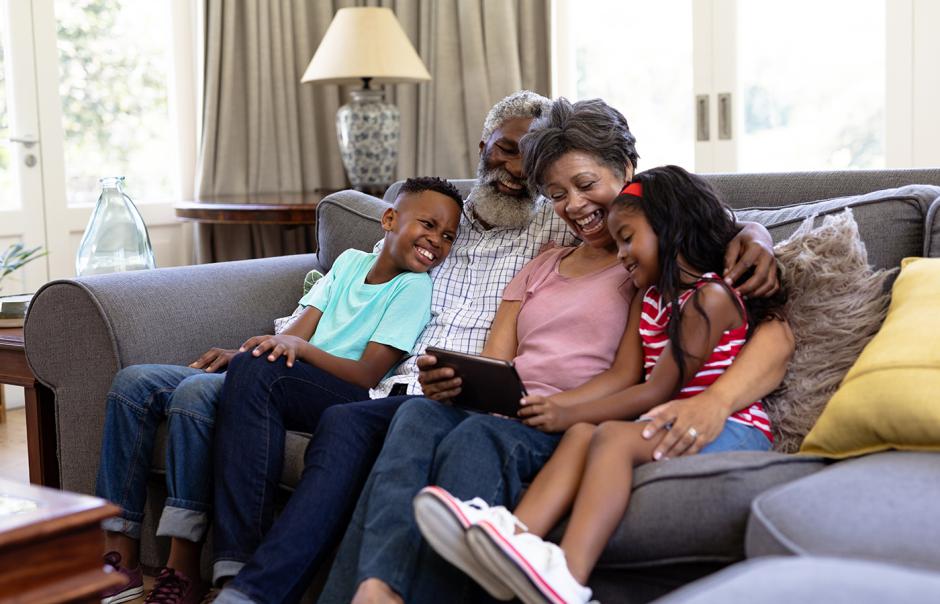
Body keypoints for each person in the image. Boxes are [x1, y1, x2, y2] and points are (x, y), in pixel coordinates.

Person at [317, 98, 793, 604]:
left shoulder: (655, 265)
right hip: (516, 405)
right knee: (414, 415)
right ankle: (374, 588)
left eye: (587, 185)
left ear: (628, 172)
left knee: (479, 435)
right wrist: (458, 382)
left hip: (564, 418)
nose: (575, 205)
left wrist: (755, 233)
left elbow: (723, 253)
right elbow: (500, 363)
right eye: (557, 195)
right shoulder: (552, 260)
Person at [415, 165, 788, 604]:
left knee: (609, 436)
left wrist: (565, 409)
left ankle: (569, 577)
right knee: (580, 435)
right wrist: (565, 416)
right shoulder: (647, 297)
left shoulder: (710, 298)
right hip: (662, 419)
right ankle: (513, 542)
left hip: (730, 427)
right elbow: (625, 375)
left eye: (629, 238)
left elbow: (657, 390)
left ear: (670, 228)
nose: (623, 253)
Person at [97, 176, 462, 604]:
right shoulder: (348, 264)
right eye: (428, 224)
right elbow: (299, 327)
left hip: (333, 386)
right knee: (134, 383)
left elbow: (365, 374)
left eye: (448, 236)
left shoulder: (413, 288)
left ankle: (189, 567)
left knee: (197, 394)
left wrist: (296, 350)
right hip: (283, 369)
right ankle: (119, 558)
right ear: (388, 218)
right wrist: (251, 352)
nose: (436, 240)